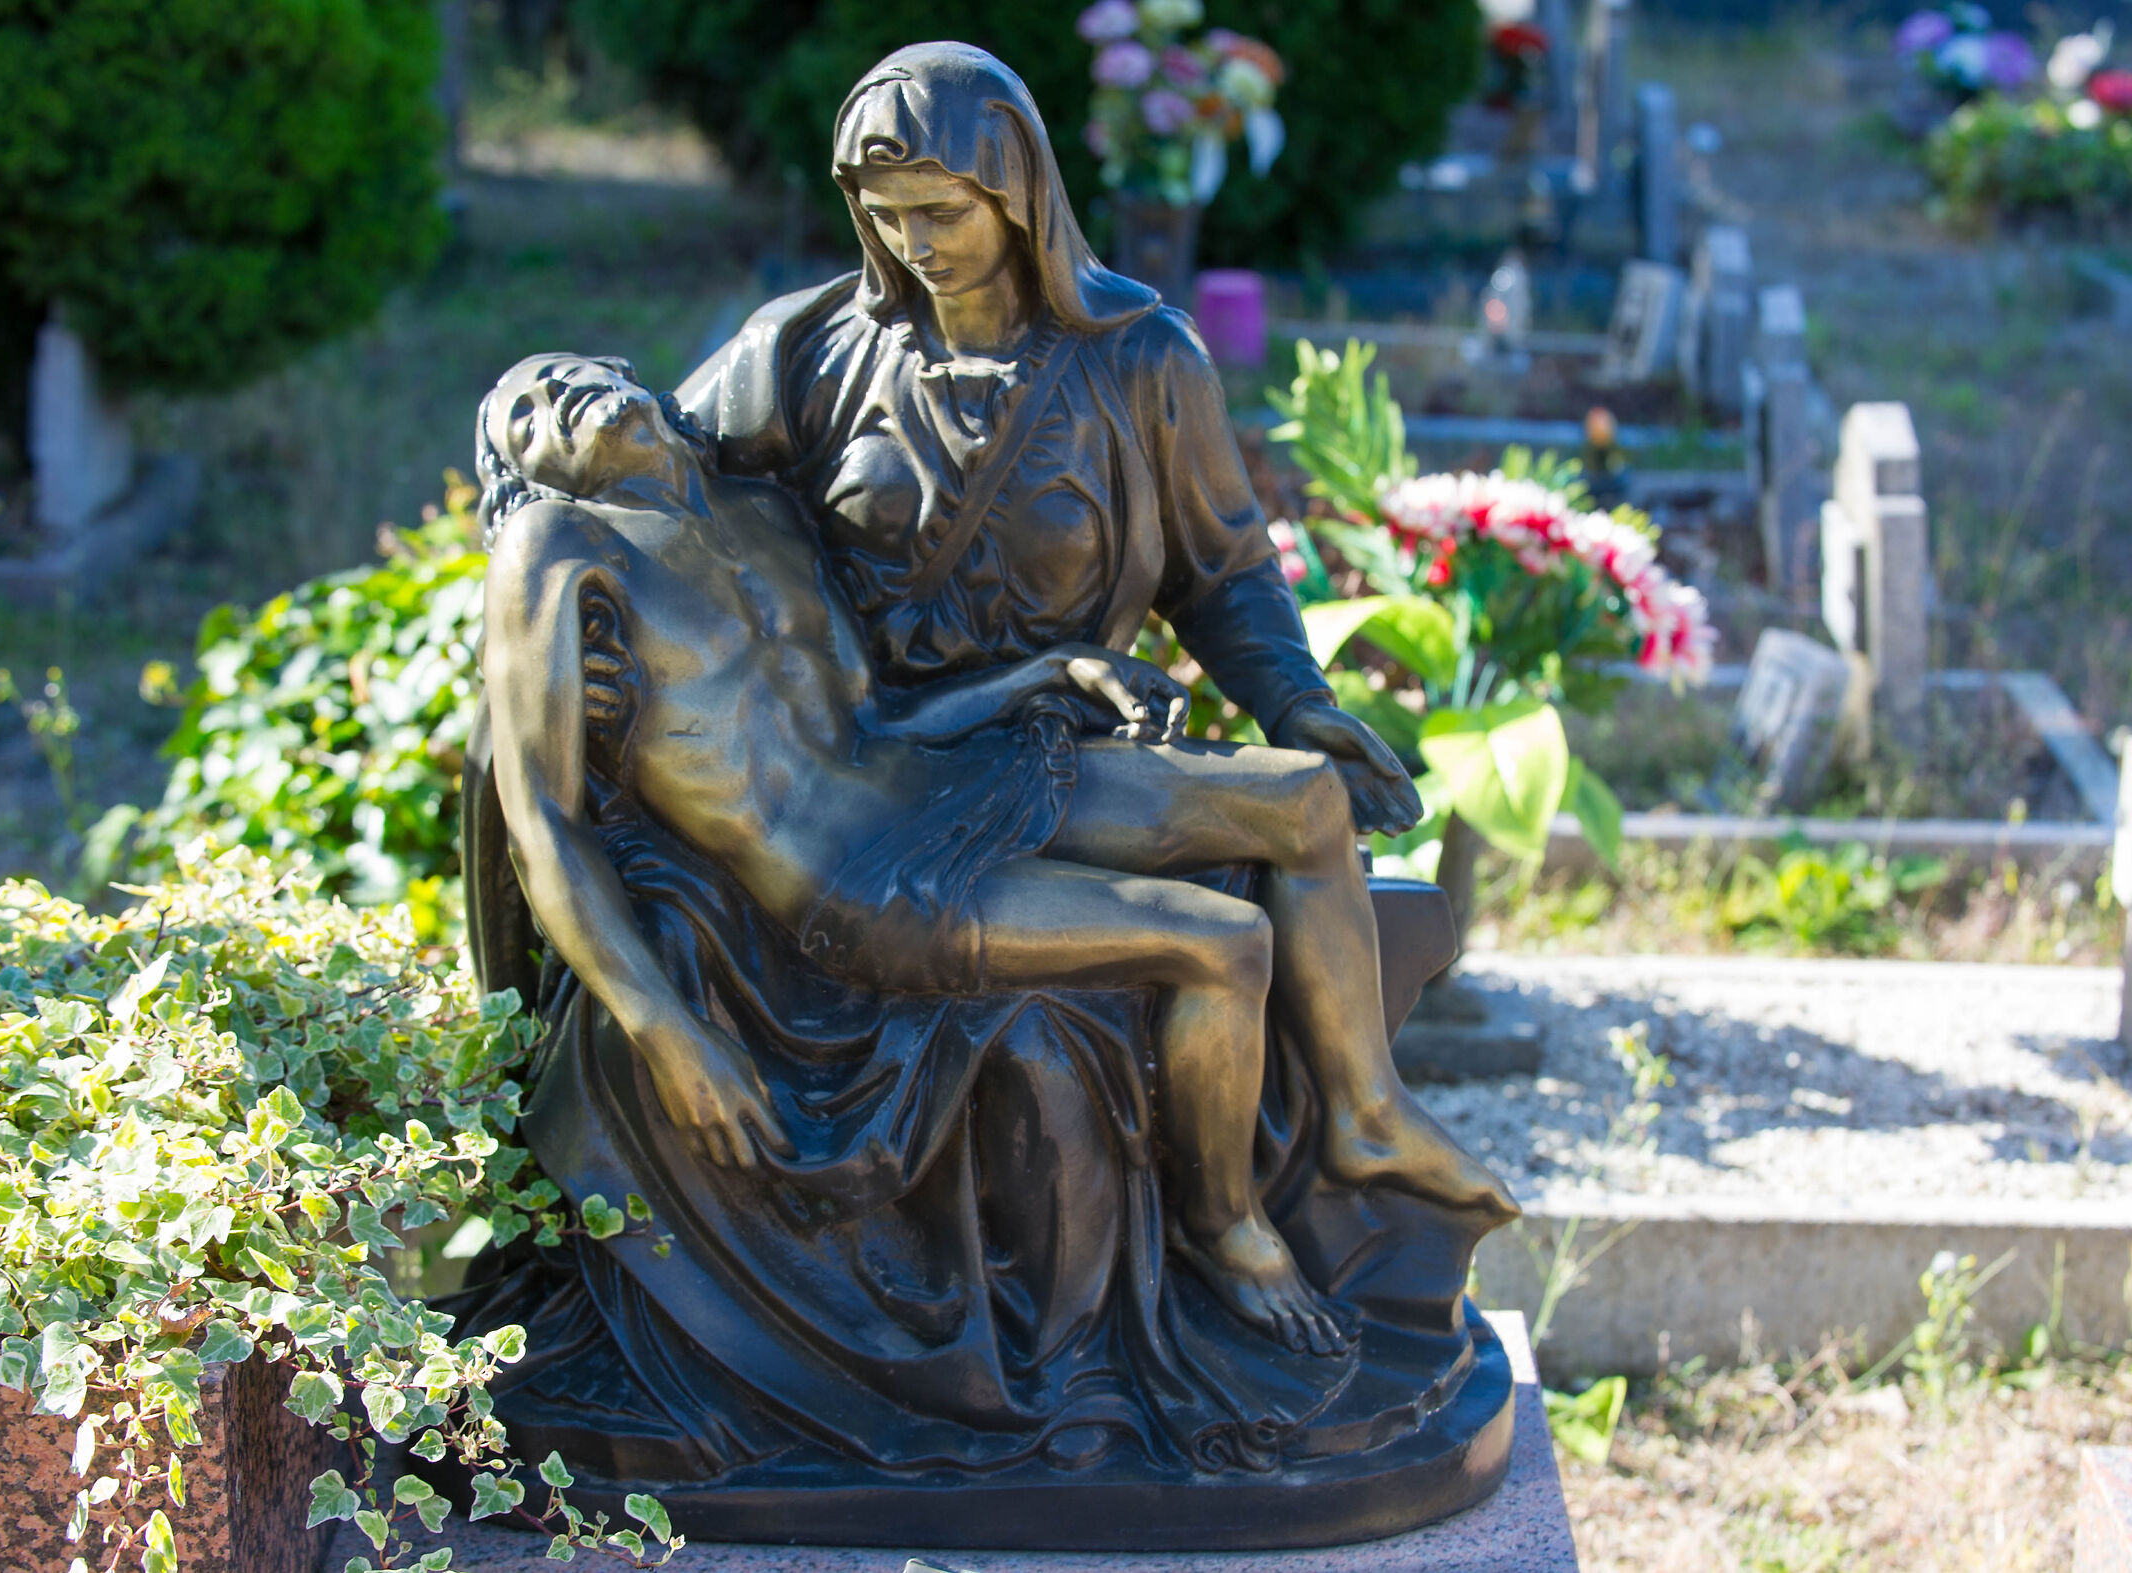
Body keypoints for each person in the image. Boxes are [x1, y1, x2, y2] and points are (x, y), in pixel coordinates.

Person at [479, 348, 1514, 1351]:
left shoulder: (756, 512)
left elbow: (873, 718)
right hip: (857, 882)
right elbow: (541, 823)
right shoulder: (559, 549)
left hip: (936, 783)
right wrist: (666, 1027)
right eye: (525, 416)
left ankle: (1368, 1109)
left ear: (626, 372)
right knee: (1223, 941)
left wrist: (1051, 670)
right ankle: (1229, 1232)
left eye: (565, 371)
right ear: (527, 477)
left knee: (1304, 797)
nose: (559, 395)